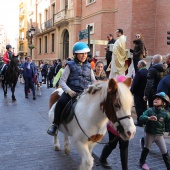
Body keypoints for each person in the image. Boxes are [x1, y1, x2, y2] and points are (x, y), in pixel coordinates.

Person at [47, 42, 96, 136]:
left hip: (85, 92)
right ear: (75, 54)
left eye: (85, 53)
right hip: (71, 92)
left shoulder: (89, 66)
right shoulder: (69, 65)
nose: (84, 56)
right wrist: (69, 91)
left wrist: (93, 88)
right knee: (60, 103)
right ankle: (55, 125)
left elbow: (93, 80)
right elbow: (62, 82)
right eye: (81, 53)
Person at [99, 75, 129, 170]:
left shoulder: (126, 96)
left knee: (124, 146)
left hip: (124, 124)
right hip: (113, 124)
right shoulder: (112, 95)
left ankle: (125, 168)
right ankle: (102, 158)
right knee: (112, 144)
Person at [139, 92, 170, 170]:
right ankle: (142, 162)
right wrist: (148, 118)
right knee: (146, 148)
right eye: (155, 98)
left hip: (159, 136)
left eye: (158, 99)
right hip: (149, 134)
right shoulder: (149, 110)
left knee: (164, 151)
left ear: (164, 103)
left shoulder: (166, 113)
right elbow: (141, 118)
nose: (155, 99)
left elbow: (169, 122)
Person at [131, 60, 148, 127]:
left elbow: (135, 84)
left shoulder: (139, 72)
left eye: (138, 64)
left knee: (138, 108)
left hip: (138, 93)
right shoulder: (147, 71)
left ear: (140, 65)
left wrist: (131, 91)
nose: (137, 65)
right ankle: (144, 120)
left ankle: (140, 122)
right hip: (145, 93)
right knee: (144, 107)